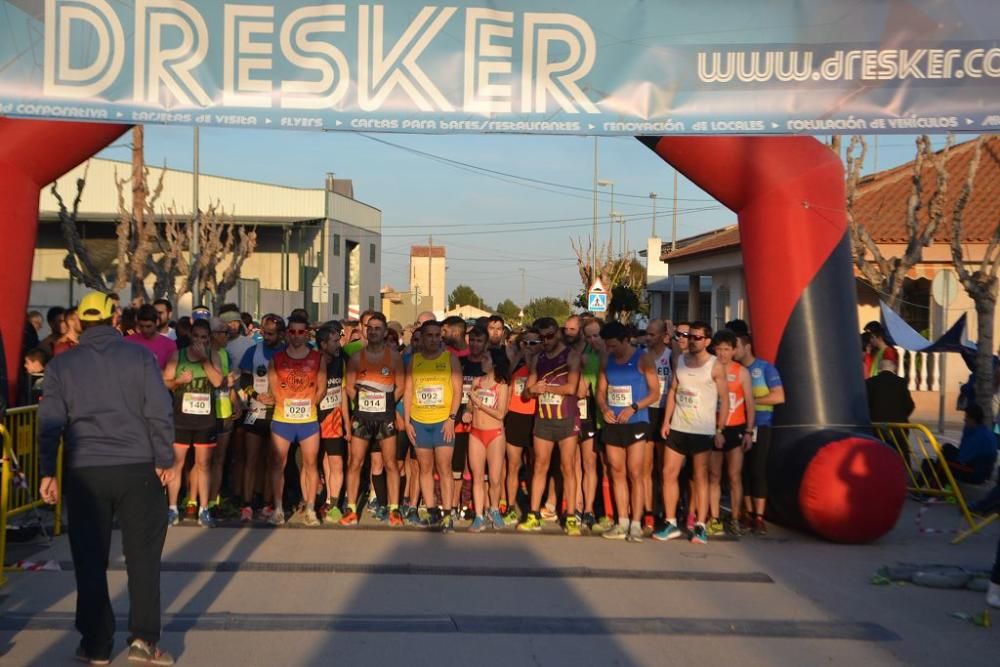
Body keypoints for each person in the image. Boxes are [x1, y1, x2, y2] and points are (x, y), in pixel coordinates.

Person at [38, 290, 176, 665]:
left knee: (89, 558)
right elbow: (159, 410)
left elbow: (49, 423)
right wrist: (165, 457)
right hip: (138, 468)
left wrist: (47, 471)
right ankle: (143, 642)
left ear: (79, 322)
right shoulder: (139, 357)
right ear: (116, 319)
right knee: (143, 558)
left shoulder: (61, 366)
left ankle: (96, 645)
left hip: (85, 471)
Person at [654, 321, 729, 545]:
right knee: (668, 473)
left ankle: (700, 526)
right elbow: (674, 391)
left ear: (707, 341)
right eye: (690, 336)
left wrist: (719, 429)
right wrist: (666, 421)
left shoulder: (715, 365)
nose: (692, 341)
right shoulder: (680, 361)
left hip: (702, 430)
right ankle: (670, 522)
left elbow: (724, 400)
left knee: (700, 479)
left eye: (697, 337)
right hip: (678, 427)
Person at [596, 321, 661, 542]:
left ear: (625, 340)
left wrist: (634, 407)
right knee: (616, 471)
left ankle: (636, 523)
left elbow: (655, 393)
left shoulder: (642, 358)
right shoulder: (607, 359)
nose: (610, 350)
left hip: (636, 421)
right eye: (608, 346)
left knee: (636, 472)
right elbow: (600, 391)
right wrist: (604, 408)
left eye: (614, 345)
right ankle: (622, 521)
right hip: (613, 422)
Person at [519, 317, 582, 535]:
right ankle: (533, 514)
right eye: (541, 337)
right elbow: (526, 392)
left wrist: (546, 389)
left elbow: (572, 388)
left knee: (568, 467)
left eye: (549, 336)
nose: (545, 341)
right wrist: (533, 390)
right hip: (544, 418)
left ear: (558, 333)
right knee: (539, 466)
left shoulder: (571, 356)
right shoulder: (539, 358)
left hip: (566, 418)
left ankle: (572, 516)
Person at [343, 312, 405, 526]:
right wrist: (363, 402)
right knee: (355, 463)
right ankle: (351, 508)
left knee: (390, 463)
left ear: (385, 331)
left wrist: (386, 404)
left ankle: (394, 509)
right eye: (371, 328)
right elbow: (349, 388)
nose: (374, 331)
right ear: (365, 331)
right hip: (362, 416)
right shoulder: (356, 358)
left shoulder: (394, 357)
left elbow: (401, 387)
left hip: (385, 417)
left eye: (378, 328)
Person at [162, 318, 224, 528]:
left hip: (205, 421)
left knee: (203, 464)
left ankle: (203, 509)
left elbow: (217, 382)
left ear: (209, 339)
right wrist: (179, 381)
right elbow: (165, 382)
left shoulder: (212, 355)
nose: (199, 341)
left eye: (204, 337)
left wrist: (204, 361)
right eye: (196, 336)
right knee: (177, 463)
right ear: (190, 336)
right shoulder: (177, 356)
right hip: (181, 419)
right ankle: (171, 508)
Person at [267, 313, 326, 526]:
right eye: (292, 331)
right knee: (277, 464)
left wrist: (310, 402)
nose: (297, 336)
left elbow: (322, 387)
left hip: (308, 420)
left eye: (301, 332)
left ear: (307, 333)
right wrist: (286, 402)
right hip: (283, 419)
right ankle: (278, 509)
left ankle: (310, 509)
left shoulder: (317, 358)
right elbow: (273, 388)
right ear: (287, 333)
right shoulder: (277, 358)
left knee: (310, 464)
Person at [404, 320, 463, 531]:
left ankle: (447, 514)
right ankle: (431, 511)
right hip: (420, 422)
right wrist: (408, 422)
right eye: (429, 335)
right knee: (424, 469)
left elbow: (458, 391)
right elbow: (409, 392)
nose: (433, 339)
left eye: (437, 335)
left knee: (444, 468)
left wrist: (451, 419)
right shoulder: (415, 360)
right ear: (423, 337)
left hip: (442, 423)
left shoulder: (450, 359)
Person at [733, 333, 784, 534]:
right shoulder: (735, 370)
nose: (733, 351)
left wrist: (752, 402)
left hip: (760, 425)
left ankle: (759, 517)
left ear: (746, 347)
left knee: (757, 470)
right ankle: (747, 513)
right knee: (742, 471)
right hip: (738, 425)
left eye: (735, 346)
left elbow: (779, 396)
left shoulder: (764, 368)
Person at [237, 314, 286, 521]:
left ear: (281, 334)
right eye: (264, 332)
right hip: (255, 411)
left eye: (271, 334)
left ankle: (268, 503)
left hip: (278, 412)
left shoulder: (286, 352)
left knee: (273, 460)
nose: (266, 336)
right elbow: (244, 380)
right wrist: (257, 395)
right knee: (252, 459)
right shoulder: (253, 351)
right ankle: (247, 504)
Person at [707, 330, 755, 536]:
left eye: (727, 349)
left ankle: (735, 517)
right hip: (712, 426)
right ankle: (714, 517)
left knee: (734, 476)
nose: (723, 353)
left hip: (736, 427)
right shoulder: (709, 369)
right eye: (719, 349)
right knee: (714, 475)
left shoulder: (741, 372)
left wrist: (748, 432)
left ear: (734, 350)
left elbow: (750, 405)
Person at [467, 348, 512, 531]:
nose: (482, 360)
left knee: (494, 479)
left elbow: (501, 413)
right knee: (477, 477)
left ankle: (494, 509)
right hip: (476, 433)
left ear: (494, 363)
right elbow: (470, 406)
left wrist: (479, 404)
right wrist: (468, 411)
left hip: (495, 434)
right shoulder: (477, 381)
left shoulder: (502, 385)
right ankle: (478, 515)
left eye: (486, 358)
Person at [502, 328, 540, 526]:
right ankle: (509, 507)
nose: (529, 347)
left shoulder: (543, 362)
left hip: (536, 416)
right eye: (525, 343)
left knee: (536, 466)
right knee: (513, 465)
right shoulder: (514, 360)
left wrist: (534, 362)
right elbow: (506, 379)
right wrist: (518, 358)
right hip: (515, 415)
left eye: (534, 343)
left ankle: (533, 508)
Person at [316, 322, 351, 522]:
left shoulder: (341, 361)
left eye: (339, 340)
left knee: (336, 462)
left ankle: (334, 503)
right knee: (316, 463)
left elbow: (342, 394)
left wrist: (346, 424)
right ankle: (318, 500)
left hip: (335, 420)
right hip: (313, 419)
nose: (339, 344)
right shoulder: (312, 361)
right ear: (323, 344)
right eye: (335, 341)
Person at [644, 318, 672, 533]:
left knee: (665, 468)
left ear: (663, 336)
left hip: (664, 411)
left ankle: (665, 508)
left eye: (652, 334)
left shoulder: (671, 356)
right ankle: (648, 511)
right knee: (646, 467)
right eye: (647, 333)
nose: (648, 337)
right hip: (646, 410)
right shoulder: (642, 356)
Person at [929, 405, 998, 485]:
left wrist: (966, 432)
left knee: (940, 462)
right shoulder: (985, 431)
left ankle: (932, 488)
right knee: (947, 449)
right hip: (981, 470)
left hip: (975, 474)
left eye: (966, 417)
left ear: (973, 419)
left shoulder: (977, 436)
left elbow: (962, 458)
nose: (964, 420)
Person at [125, 304, 177, 370]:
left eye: (148, 326)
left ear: (157, 322)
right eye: (141, 326)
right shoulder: (127, 342)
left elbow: (169, 374)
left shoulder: (169, 345)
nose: (145, 330)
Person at [866, 358, 915, 423]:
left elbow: (865, 405)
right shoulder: (901, 382)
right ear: (894, 369)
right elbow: (910, 405)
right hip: (898, 427)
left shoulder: (870, 382)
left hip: (876, 426)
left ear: (878, 369)